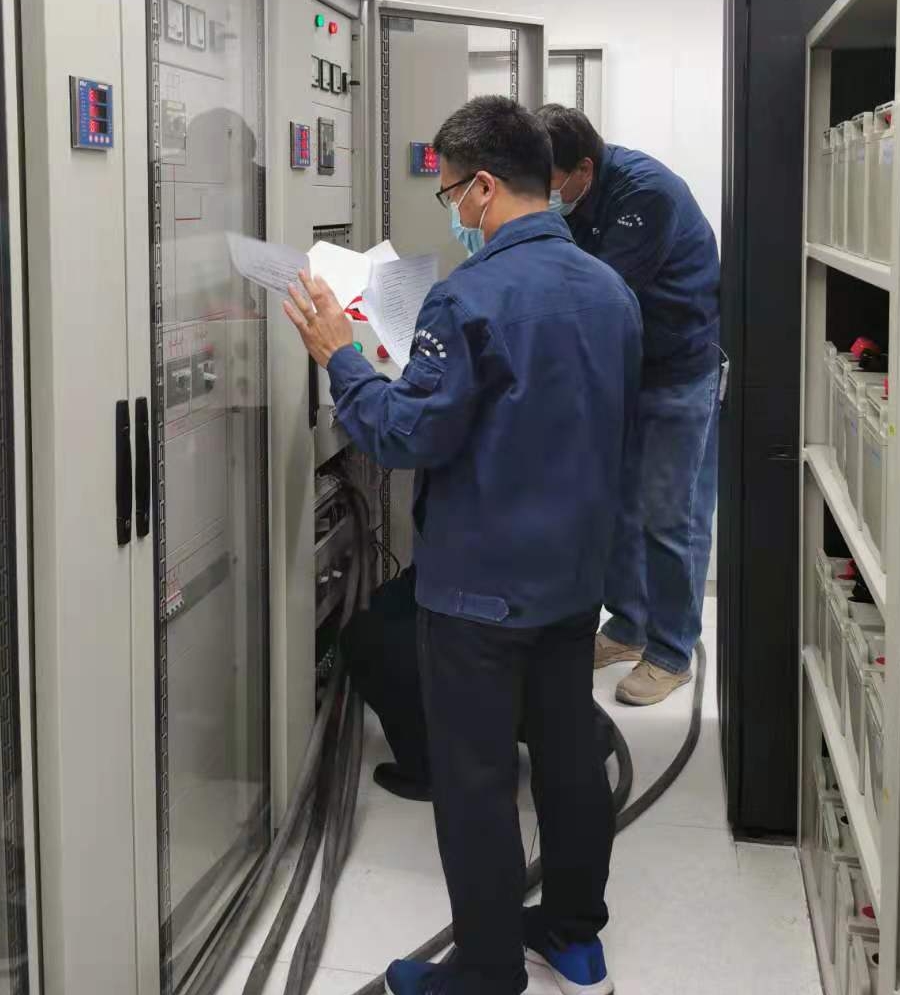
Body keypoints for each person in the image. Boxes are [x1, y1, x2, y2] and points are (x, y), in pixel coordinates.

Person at [284, 97, 641, 995]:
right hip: (572, 579)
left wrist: (341, 357)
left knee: (476, 780)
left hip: (479, 591)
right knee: (566, 759)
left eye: (450, 193)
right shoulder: (609, 290)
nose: (453, 210)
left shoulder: (469, 296)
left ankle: (485, 972)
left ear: (483, 186)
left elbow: (407, 436)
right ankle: (574, 937)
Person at [537, 104, 722, 708]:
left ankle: (671, 651)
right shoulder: (579, 195)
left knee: (670, 513)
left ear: (584, 170)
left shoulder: (647, 194)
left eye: (550, 182)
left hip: (678, 370)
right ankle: (628, 625)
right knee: (618, 504)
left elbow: (595, 296)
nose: (544, 194)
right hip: (627, 370)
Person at [341, 564, 619, 804]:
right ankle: (574, 735)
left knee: (370, 635)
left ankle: (430, 770)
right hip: (561, 585)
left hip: (484, 593)